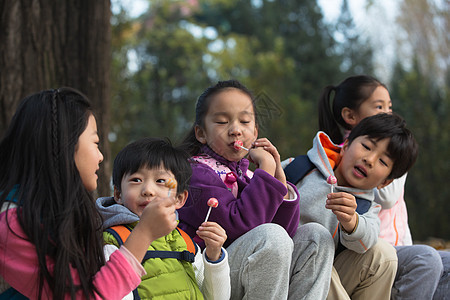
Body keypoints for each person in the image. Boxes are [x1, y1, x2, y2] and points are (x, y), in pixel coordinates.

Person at [0, 88, 180, 299]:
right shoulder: (11, 223)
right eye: (95, 143)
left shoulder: (65, 211)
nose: (101, 156)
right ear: (65, 145)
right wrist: (144, 234)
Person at [178, 79, 335, 299]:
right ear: (201, 133)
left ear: (255, 131)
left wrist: (278, 176)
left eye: (244, 121)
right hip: (210, 276)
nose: (235, 130)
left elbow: (285, 234)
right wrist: (267, 169)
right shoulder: (195, 172)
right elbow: (239, 226)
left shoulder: (251, 175)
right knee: (271, 237)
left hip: (248, 267)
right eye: (222, 122)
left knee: (316, 237)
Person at [318, 75, 449, 299]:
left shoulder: (381, 150)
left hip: (396, 245)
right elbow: (386, 197)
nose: (388, 114)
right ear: (350, 116)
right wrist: (394, 166)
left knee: (443, 261)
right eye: (379, 107)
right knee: (426, 260)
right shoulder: (345, 155)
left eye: (390, 107)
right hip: (369, 250)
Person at [286, 113, 419, 299]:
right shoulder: (300, 168)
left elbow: (368, 238)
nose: (370, 160)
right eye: (366, 146)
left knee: (384, 255)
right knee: (317, 248)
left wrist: (352, 222)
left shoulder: (366, 208)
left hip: (327, 278)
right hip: (285, 259)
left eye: (382, 161)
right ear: (346, 145)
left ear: (385, 183)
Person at [96, 137, 230, 299]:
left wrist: (214, 256)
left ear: (180, 198)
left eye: (160, 181)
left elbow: (216, 297)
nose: (148, 190)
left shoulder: (185, 242)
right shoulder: (115, 241)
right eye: (136, 180)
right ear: (118, 194)